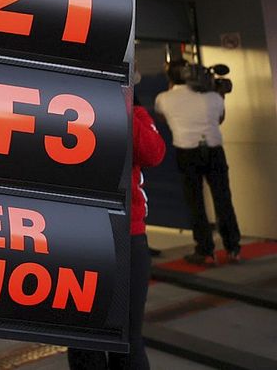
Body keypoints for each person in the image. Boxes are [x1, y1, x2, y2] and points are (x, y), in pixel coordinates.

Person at [67, 97, 165, 370]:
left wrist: (120, 105)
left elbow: (154, 153)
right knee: (84, 340)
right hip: (78, 239)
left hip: (128, 238)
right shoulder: (64, 109)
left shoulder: (135, 113)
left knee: (127, 340)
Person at [155, 59, 241, 266]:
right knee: (223, 199)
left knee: (196, 203)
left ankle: (205, 251)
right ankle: (233, 249)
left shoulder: (163, 98)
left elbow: (163, 118)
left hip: (187, 152)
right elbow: (219, 119)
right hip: (214, 150)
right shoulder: (213, 96)